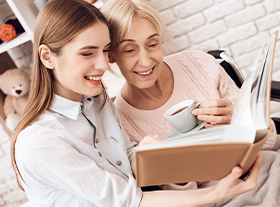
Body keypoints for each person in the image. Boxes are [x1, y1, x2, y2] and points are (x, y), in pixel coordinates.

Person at [9, 0, 263, 206]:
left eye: (105, 50)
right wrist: (216, 194)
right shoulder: (40, 143)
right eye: (88, 53)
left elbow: (124, 155)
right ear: (47, 56)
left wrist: (146, 151)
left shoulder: (96, 100)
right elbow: (127, 199)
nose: (102, 64)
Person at [101, 0, 277, 190]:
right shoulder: (121, 121)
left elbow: (271, 138)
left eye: (152, 44)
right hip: (218, 197)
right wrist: (173, 170)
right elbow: (185, 198)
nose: (145, 61)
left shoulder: (200, 63)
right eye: (129, 50)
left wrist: (239, 120)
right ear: (111, 56)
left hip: (265, 167)